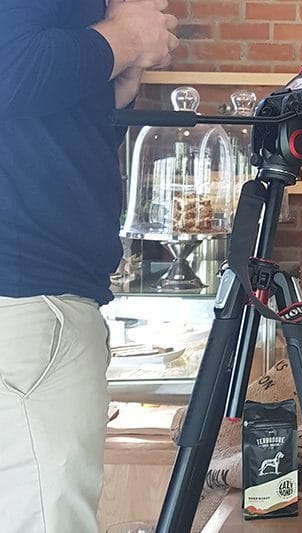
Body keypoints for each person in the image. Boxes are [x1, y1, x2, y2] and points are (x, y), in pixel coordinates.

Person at [0, 1, 178, 531]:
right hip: (31, 302)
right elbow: (8, 63)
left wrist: (110, 92)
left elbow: (39, 123)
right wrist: (121, 38)